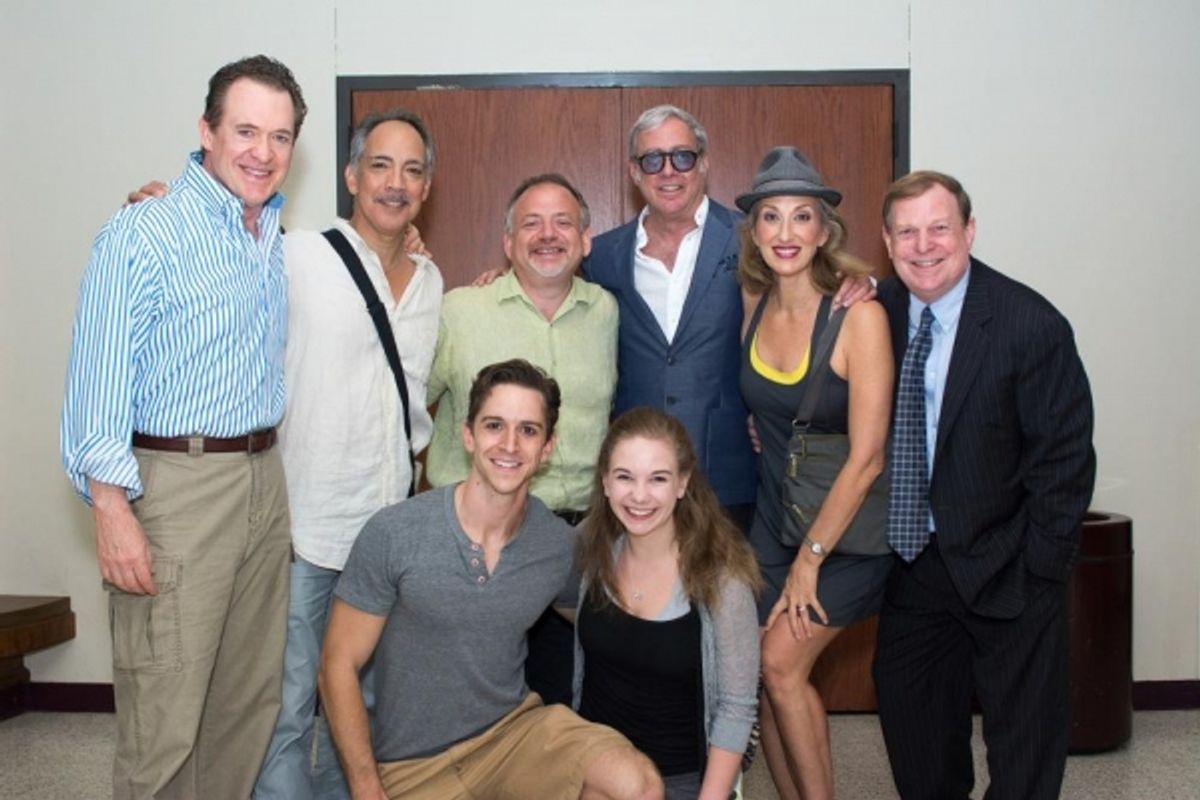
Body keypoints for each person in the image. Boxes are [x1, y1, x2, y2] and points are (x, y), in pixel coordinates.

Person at [122, 109, 443, 799]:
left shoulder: (432, 282)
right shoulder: (294, 255)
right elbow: (219, 246)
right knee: (286, 706)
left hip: (387, 535)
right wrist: (165, 210)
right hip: (301, 530)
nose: (396, 183)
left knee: (373, 707)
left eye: (413, 170)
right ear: (352, 176)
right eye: (380, 166)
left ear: (427, 188)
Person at [60, 55, 306, 799]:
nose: (262, 151)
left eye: (281, 135)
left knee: (244, 703)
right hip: (175, 488)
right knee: (164, 711)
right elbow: (94, 382)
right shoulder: (144, 232)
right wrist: (112, 510)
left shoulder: (271, 239)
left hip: (263, 482)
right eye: (245, 130)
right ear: (206, 131)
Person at [319, 359, 663, 800]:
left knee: (637, 784)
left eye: (528, 430)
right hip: (412, 768)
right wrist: (366, 786)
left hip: (514, 735)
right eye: (494, 425)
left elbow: (609, 620)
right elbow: (336, 665)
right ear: (468, 435)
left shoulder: (556, 546)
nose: (509, 445)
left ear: (547, 448)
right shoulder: (395, 533)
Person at [871, 171, 1095, 799]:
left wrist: (1040, 570)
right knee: (918, 752)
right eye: (907, 232)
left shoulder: (1030, 324)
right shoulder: (872, 314)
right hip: (912, 567)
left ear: (969, 231)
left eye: (939, 228)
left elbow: (1066, 461)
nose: (924, 246)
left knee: (1024, 760)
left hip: (1011, 567)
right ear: (887, 242)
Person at [734, 147, 894, 800]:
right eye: (770, 217)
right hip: (776, 523)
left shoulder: (861, 317)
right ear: (755, 231)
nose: (785, 233)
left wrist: (812, 559)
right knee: (760, 676)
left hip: (846, 534)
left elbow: (869, 457)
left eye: (802, 217)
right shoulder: (756, 304)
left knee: (780, 662)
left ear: (825, 231)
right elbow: (770, 414)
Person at [426, 173, 618, 705]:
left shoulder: (609, 311)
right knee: (473, 699)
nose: (547, 235)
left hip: (577, 539)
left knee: (564, 698)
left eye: (563, 222)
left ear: (586, 239)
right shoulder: (460, 311)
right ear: (508, 242)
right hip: (477, 542)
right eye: (531, 223)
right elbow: (404, 407)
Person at [572, 407, 761, 800]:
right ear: (605, 482)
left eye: (658, 479)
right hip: (594, 760)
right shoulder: (593, 549)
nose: (639, 496)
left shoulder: (723, 578)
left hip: (681, 779)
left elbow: (736, 709)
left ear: (683, 483)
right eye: (624, 477)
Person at [584, 106, 758, 529]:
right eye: (652, 159)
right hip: (635, 484)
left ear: (704, 163)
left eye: (682, 156)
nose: (668, 171)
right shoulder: (601, 256)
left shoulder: (750, 238)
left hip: (726, 474)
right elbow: (547, 285)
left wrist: (852, 284)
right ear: (633, 171)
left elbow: (802, 296)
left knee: (726, 594)